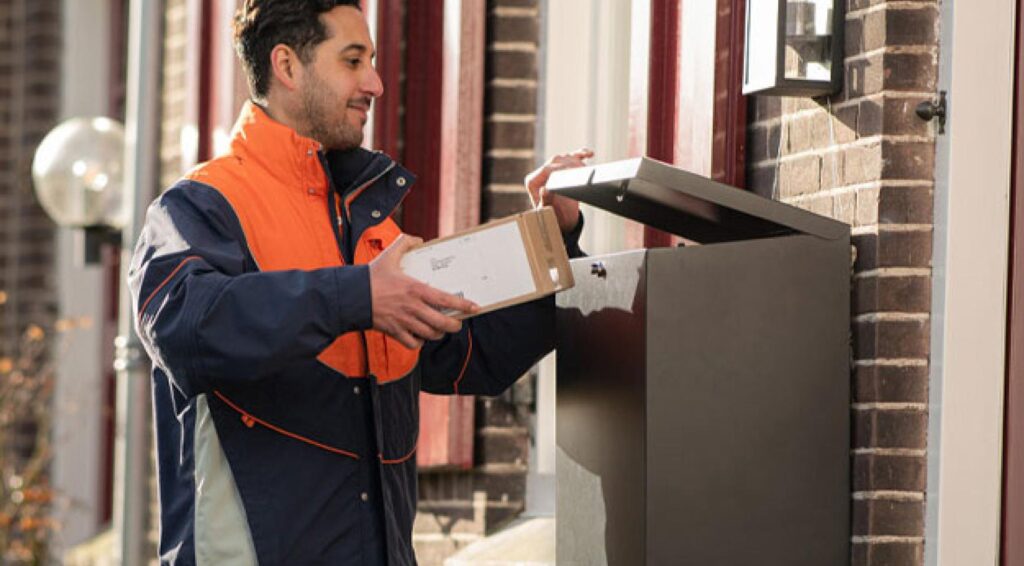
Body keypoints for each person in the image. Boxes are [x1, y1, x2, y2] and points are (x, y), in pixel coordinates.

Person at [128, 1, 591, 564]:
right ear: (287, 66)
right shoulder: (199, 207)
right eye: (352, 60)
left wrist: (554, 242)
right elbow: (187, 328)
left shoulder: (367, 226)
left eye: (371, 60)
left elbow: (473, 354)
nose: (374, 81)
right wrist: (358, 297)